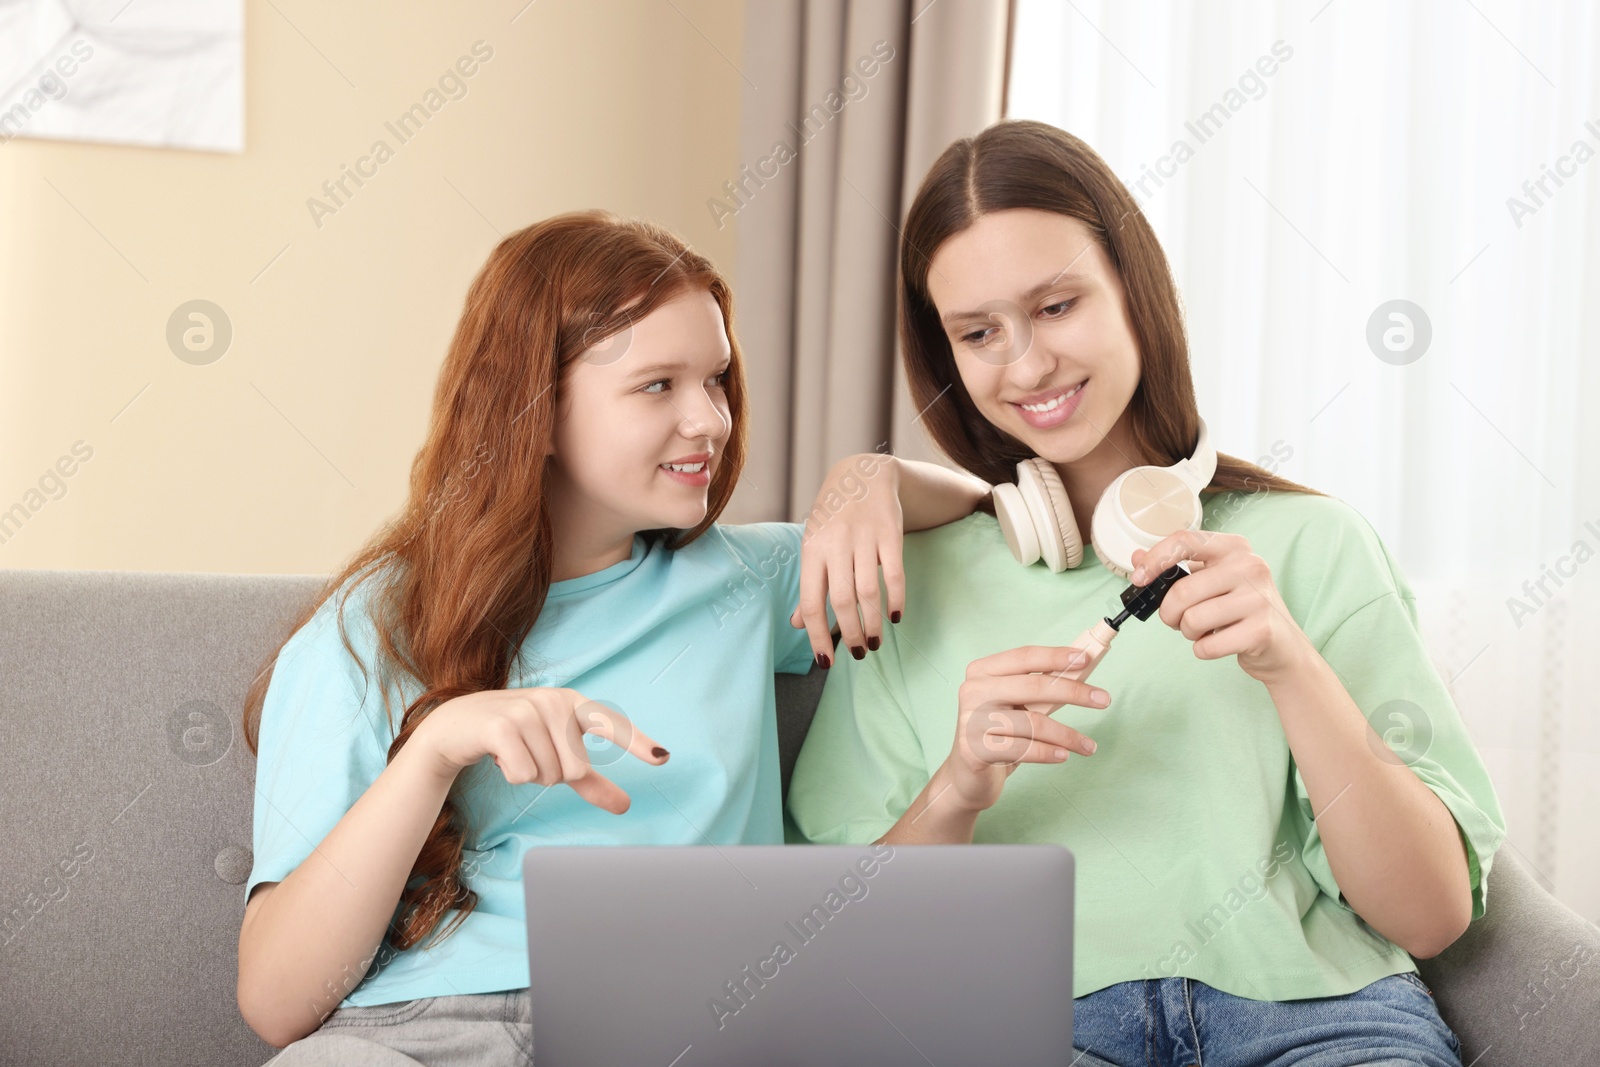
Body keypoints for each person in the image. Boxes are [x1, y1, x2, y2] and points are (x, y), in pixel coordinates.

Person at [785, 120, 1505, 1067]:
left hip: (1321, 1020)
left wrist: (1290, 666)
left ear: (1135, 291)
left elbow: (1430, 914)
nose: (1028, 364)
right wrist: (956, 791)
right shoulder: (901, 581)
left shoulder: (1312, 543)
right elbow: (847, 958)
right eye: (979, 332)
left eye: (1055, 305)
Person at [235, 209, 987, 1064]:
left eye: (716, 381)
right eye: (658, 385)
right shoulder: (371, 628)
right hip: (424, 1034)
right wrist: (435, 748)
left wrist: (866, 475)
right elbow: (275, 1000)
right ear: (537, 410)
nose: (710, 420)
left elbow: (981, 509)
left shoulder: (752, 581)